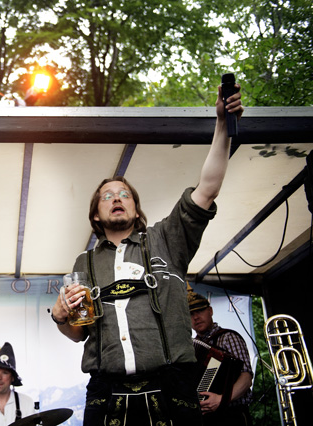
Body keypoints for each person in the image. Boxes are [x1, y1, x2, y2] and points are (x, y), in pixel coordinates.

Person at [50, 83, 244, 425]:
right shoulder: (84, 263)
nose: (116, 198)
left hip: (172, 387)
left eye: (124, 194)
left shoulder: (167, 238)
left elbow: (208, 189)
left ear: (136, 209)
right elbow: (79, 334)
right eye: (107, 196)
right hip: (106, 393)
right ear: (96, 214)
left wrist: (222, 124)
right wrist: (60, 317)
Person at [188, 291, 253, 425]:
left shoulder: (228, 337)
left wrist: (221, 399)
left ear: (210, 311)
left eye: (200, 311)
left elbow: (246, 377)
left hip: (232, 415)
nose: (196, 317)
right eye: (191, 314)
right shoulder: (190, 347)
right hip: (206, 418)